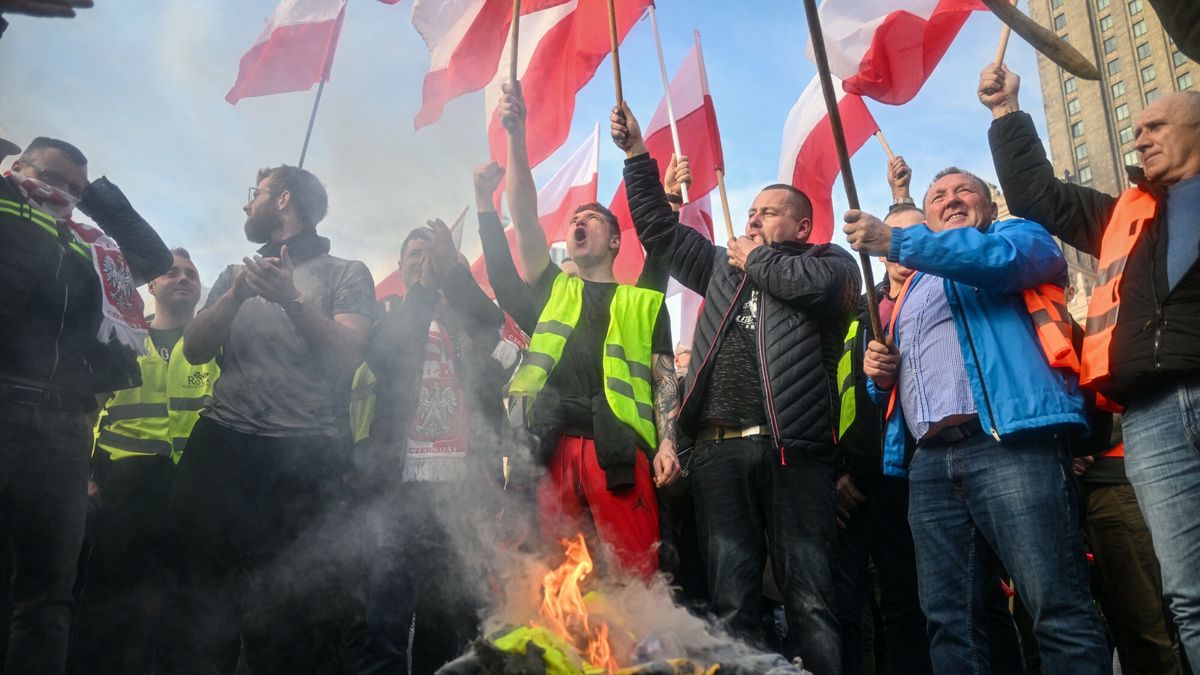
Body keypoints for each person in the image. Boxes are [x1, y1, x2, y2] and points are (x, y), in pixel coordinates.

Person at [612, 103, 860, 673]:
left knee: (811, 599)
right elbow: (658, 230)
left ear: (801, 226)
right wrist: (635, 158)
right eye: (750, 212)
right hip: (719, 451)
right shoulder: (724, 268)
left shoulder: (830, 263)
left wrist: (759, 257)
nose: (752, 220)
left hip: (793, 452)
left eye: (768, 213)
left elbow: (824, 291)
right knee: (732, 599)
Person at [843, 167, 1109, 673]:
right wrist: (881, 379)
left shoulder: (1017, 236)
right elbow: (902, 391)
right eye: (938, 195)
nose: (952, 199)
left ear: (988, 205)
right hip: (931, 466)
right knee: (947, 621)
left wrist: (896, 238)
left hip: (1013, 446)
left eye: (965, 190)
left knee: (1056, 607)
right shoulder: (912, 290)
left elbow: (998, 263)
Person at [980, 64, 1200, 670]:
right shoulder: (1126, 214)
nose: (1139, 138)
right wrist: (1006, 114)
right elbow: (1038, 196)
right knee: (1186, 597)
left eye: (1155, 125)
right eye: (1135, 129)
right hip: (1152, 417)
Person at [161, 165, 375, 674]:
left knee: (288, 618)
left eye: (253, 195)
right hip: (222, 448)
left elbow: (348, 353)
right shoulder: (236, 274)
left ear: (282, 201)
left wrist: (292, 299)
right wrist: (237, 295)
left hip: (303, 459)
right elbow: (193, 349)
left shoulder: (347, 272)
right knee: (198, 604)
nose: (245, 205)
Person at [0, 136, 171, 674]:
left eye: (72, 189)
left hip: (61, 427)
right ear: (19, 167)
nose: (62, 195)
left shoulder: (91, 247)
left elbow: (152, 256)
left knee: (48, 594)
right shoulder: (6, 210)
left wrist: (92, 193)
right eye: (51, 179)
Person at [498, 83, 681, 579]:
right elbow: (523, 216)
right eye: (575, 218)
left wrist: (667, 443)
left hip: (620, 450)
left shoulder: (644, 302)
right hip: (551, 444)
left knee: (634, 578)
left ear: (616, 240)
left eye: (592, 218)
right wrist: (516, 138)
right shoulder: (553, 288)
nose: (579, 221)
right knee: (550, 578)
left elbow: (665, 379)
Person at [358, 220, 512, 675]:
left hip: (465, 488)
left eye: (434, 257)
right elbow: (388, 358)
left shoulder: (473, 326)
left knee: (447, 613)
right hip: (398, 484)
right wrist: (424, 291)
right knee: (386, 609)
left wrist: (453, 278)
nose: (424, 264)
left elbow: (496, 335)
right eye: (415, 257)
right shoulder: (387, 319)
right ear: (402, 269)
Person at [68, 247, 218, 674]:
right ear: (151, 285)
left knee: (183, 608)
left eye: (191, 272)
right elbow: (83, 408)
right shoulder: (123, 339)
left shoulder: (214, 349)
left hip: (192, 492)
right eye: (172, 272)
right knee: (112, 604)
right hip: (122, 490)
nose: (183, 278)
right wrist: (83, 474)